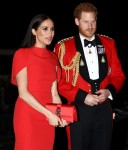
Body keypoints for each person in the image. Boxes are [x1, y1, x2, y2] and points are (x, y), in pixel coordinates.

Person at [54, 2, 126, 150]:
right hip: (77, 110)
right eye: (86, 21)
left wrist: (109, 92)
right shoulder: (63, 47)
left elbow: (118, 75)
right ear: (77, 21)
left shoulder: (108, 43)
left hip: (104, 109)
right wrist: (82, 97)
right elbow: (58, 82)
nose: (90, 25)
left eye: (93, 21)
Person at [11, 14, 67, 150]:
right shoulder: (22, 54)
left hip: (49, 117)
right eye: (45, 29)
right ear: (34, 31)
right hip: (28, 115)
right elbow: (23, 93)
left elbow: (54, 94)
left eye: (52, 29)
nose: (50, 33)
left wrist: (61, 115)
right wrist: (49, 114)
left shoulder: (53, 57)